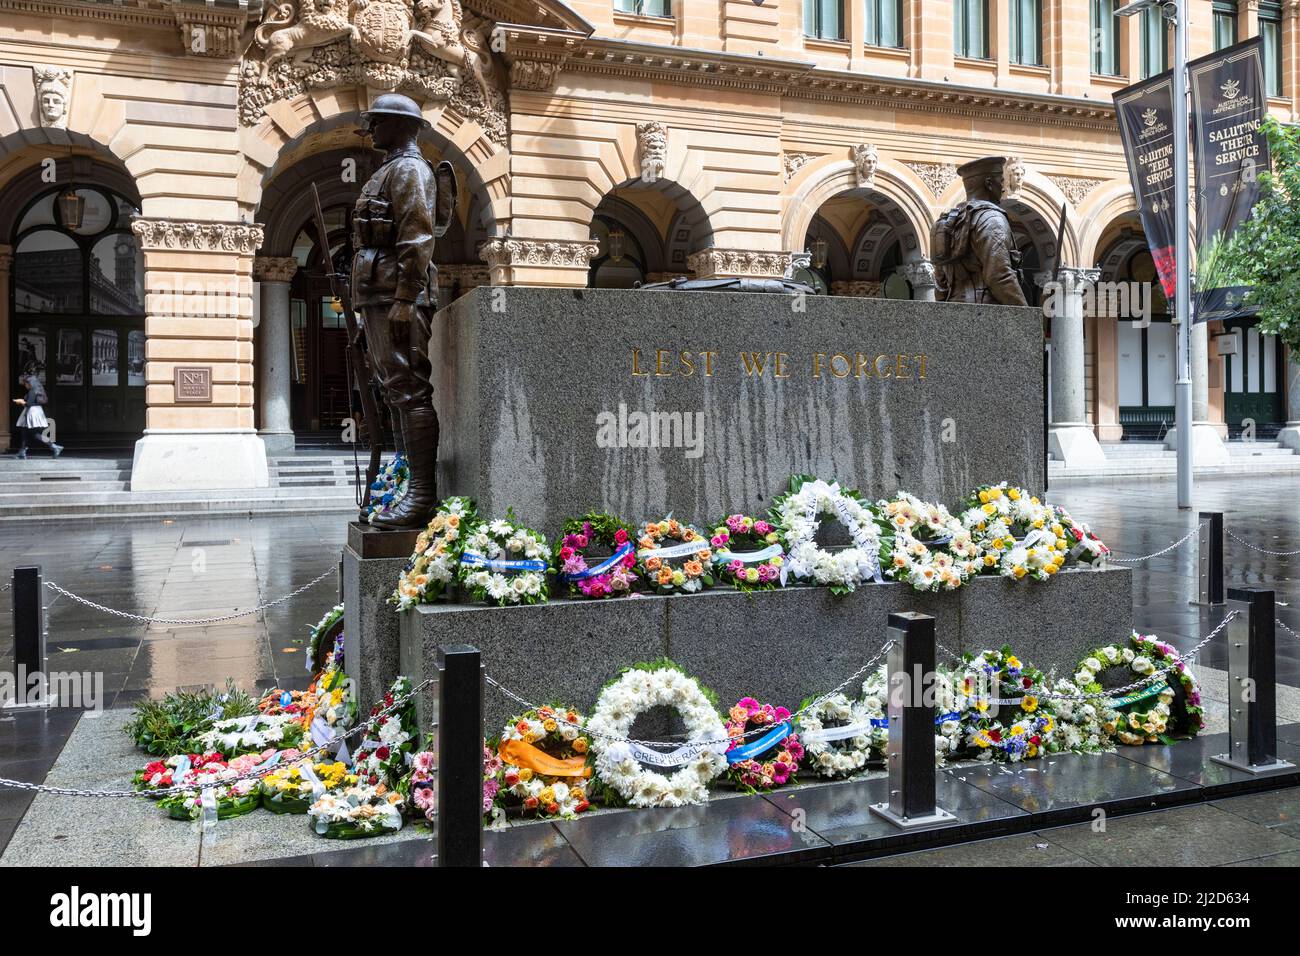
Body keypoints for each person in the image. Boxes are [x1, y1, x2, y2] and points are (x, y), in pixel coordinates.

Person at [350, 92, 455, 529]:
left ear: (400, 125)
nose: (371, 129)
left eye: (377, 121)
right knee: (395, 390)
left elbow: (416, 238)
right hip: (380, 293)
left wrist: (404, 298)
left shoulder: (410, 169)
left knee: (409, 389)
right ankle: (407, 485)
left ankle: (422, 497)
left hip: (396, 293)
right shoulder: (389, 170)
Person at [932, 156, 1028, 306]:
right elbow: (999, 276)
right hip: (986, 311)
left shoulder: (947, 222)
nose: (1003, 188)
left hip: (953, 310)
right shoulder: (992, 219)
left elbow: (940, 283)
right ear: (989, 183)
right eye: (1001, 181)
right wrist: (1026, 317)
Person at [12, 367, 63, 458]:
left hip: (32, 412)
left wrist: (20, 401)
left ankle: (54, 446)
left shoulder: (32, 391)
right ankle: (22, 451)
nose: (25, 385)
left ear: (30, 383)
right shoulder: (36, 390)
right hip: (34, 411)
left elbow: (29, 404)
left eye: (26, 383)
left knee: (34, 434)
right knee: (25, 431)